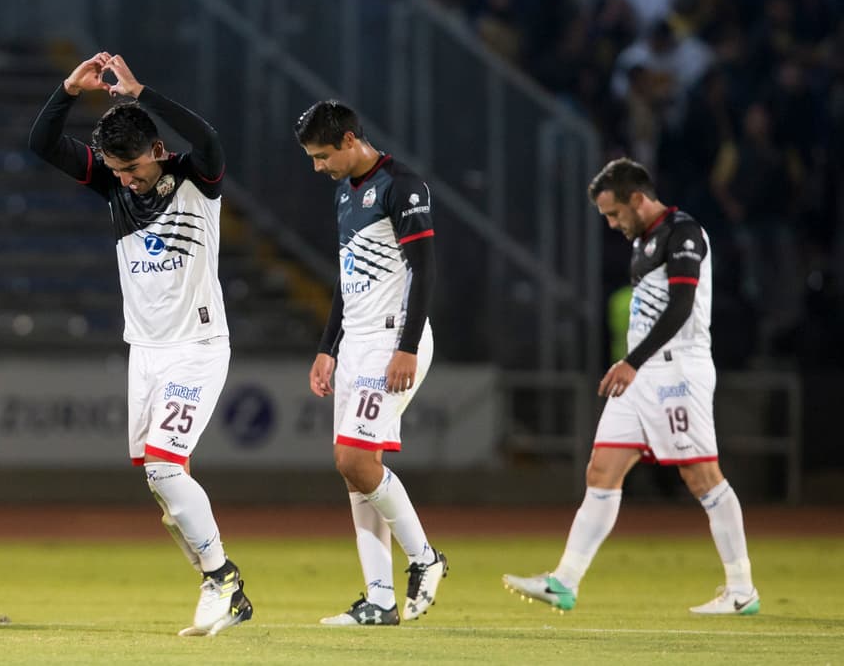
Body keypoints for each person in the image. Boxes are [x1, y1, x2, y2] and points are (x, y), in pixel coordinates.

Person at [28, 51, 253, 638]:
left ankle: (222, 580)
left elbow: (208, 137)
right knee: (162, 486)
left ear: (156, 149)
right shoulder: (114, 185)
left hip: (198, 344)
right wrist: (68, 90)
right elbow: (42, 143)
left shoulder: (198, 178)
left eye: (131, 167)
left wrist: (140, 92)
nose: (125, 179)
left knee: (165, 466)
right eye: (115, 170)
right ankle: (221, 585)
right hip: (145, 352)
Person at [504, 157, 759, 616]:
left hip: (677, 372)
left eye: (614, 213)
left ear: (638, 199)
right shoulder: (643, 240)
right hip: (642, 375)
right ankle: (564, 582)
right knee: (601, 470)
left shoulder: (683, 233)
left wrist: (631, 362)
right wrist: (635, 365)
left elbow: (681, 306)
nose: (611, 223)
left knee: (701, 476)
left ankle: (741, 589)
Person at [294, 100, 447, 626]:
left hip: (391, 340)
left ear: (349, 140)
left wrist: (408, 345)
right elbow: (348, 278)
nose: (319, 167)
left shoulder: (402, 186)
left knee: (355, 461)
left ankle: (425, 558)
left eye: (322, 156)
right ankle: (379, 600)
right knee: (357, 473)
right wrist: (327, 347)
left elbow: (424, 269)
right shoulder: (345, 191)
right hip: (357, 341)